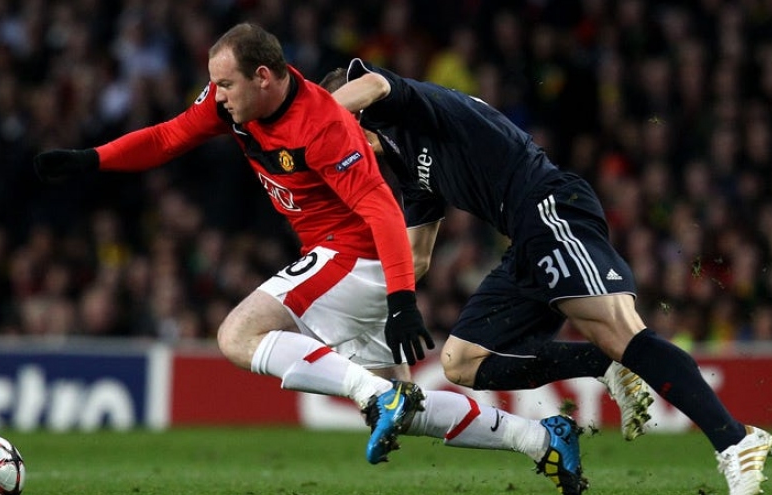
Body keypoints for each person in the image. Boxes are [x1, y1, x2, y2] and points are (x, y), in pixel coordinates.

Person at [34, 23, 588, 495]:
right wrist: (92, 159)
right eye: (214, 84)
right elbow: (168, 136)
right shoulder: (233, 107)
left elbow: (381, 208)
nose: (217, 96)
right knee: (410, 409)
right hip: (344, 260)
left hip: (356, 257)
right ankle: (540, 438)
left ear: (263, 77)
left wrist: (402, 300)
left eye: (225, 84)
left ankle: (375, 395)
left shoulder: (323, 124)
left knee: (238, 335)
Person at [322, 59, 772, 495]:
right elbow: (414, 258)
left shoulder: (407, 104)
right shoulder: (407, 166)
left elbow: (374, 84)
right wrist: (350, 301)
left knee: (618, 329)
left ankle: (736, 440)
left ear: (353, 114)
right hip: (523, 240)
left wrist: (316, 123)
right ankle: (602, 364)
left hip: (549, 207)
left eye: (336, 138)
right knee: (461, 361)